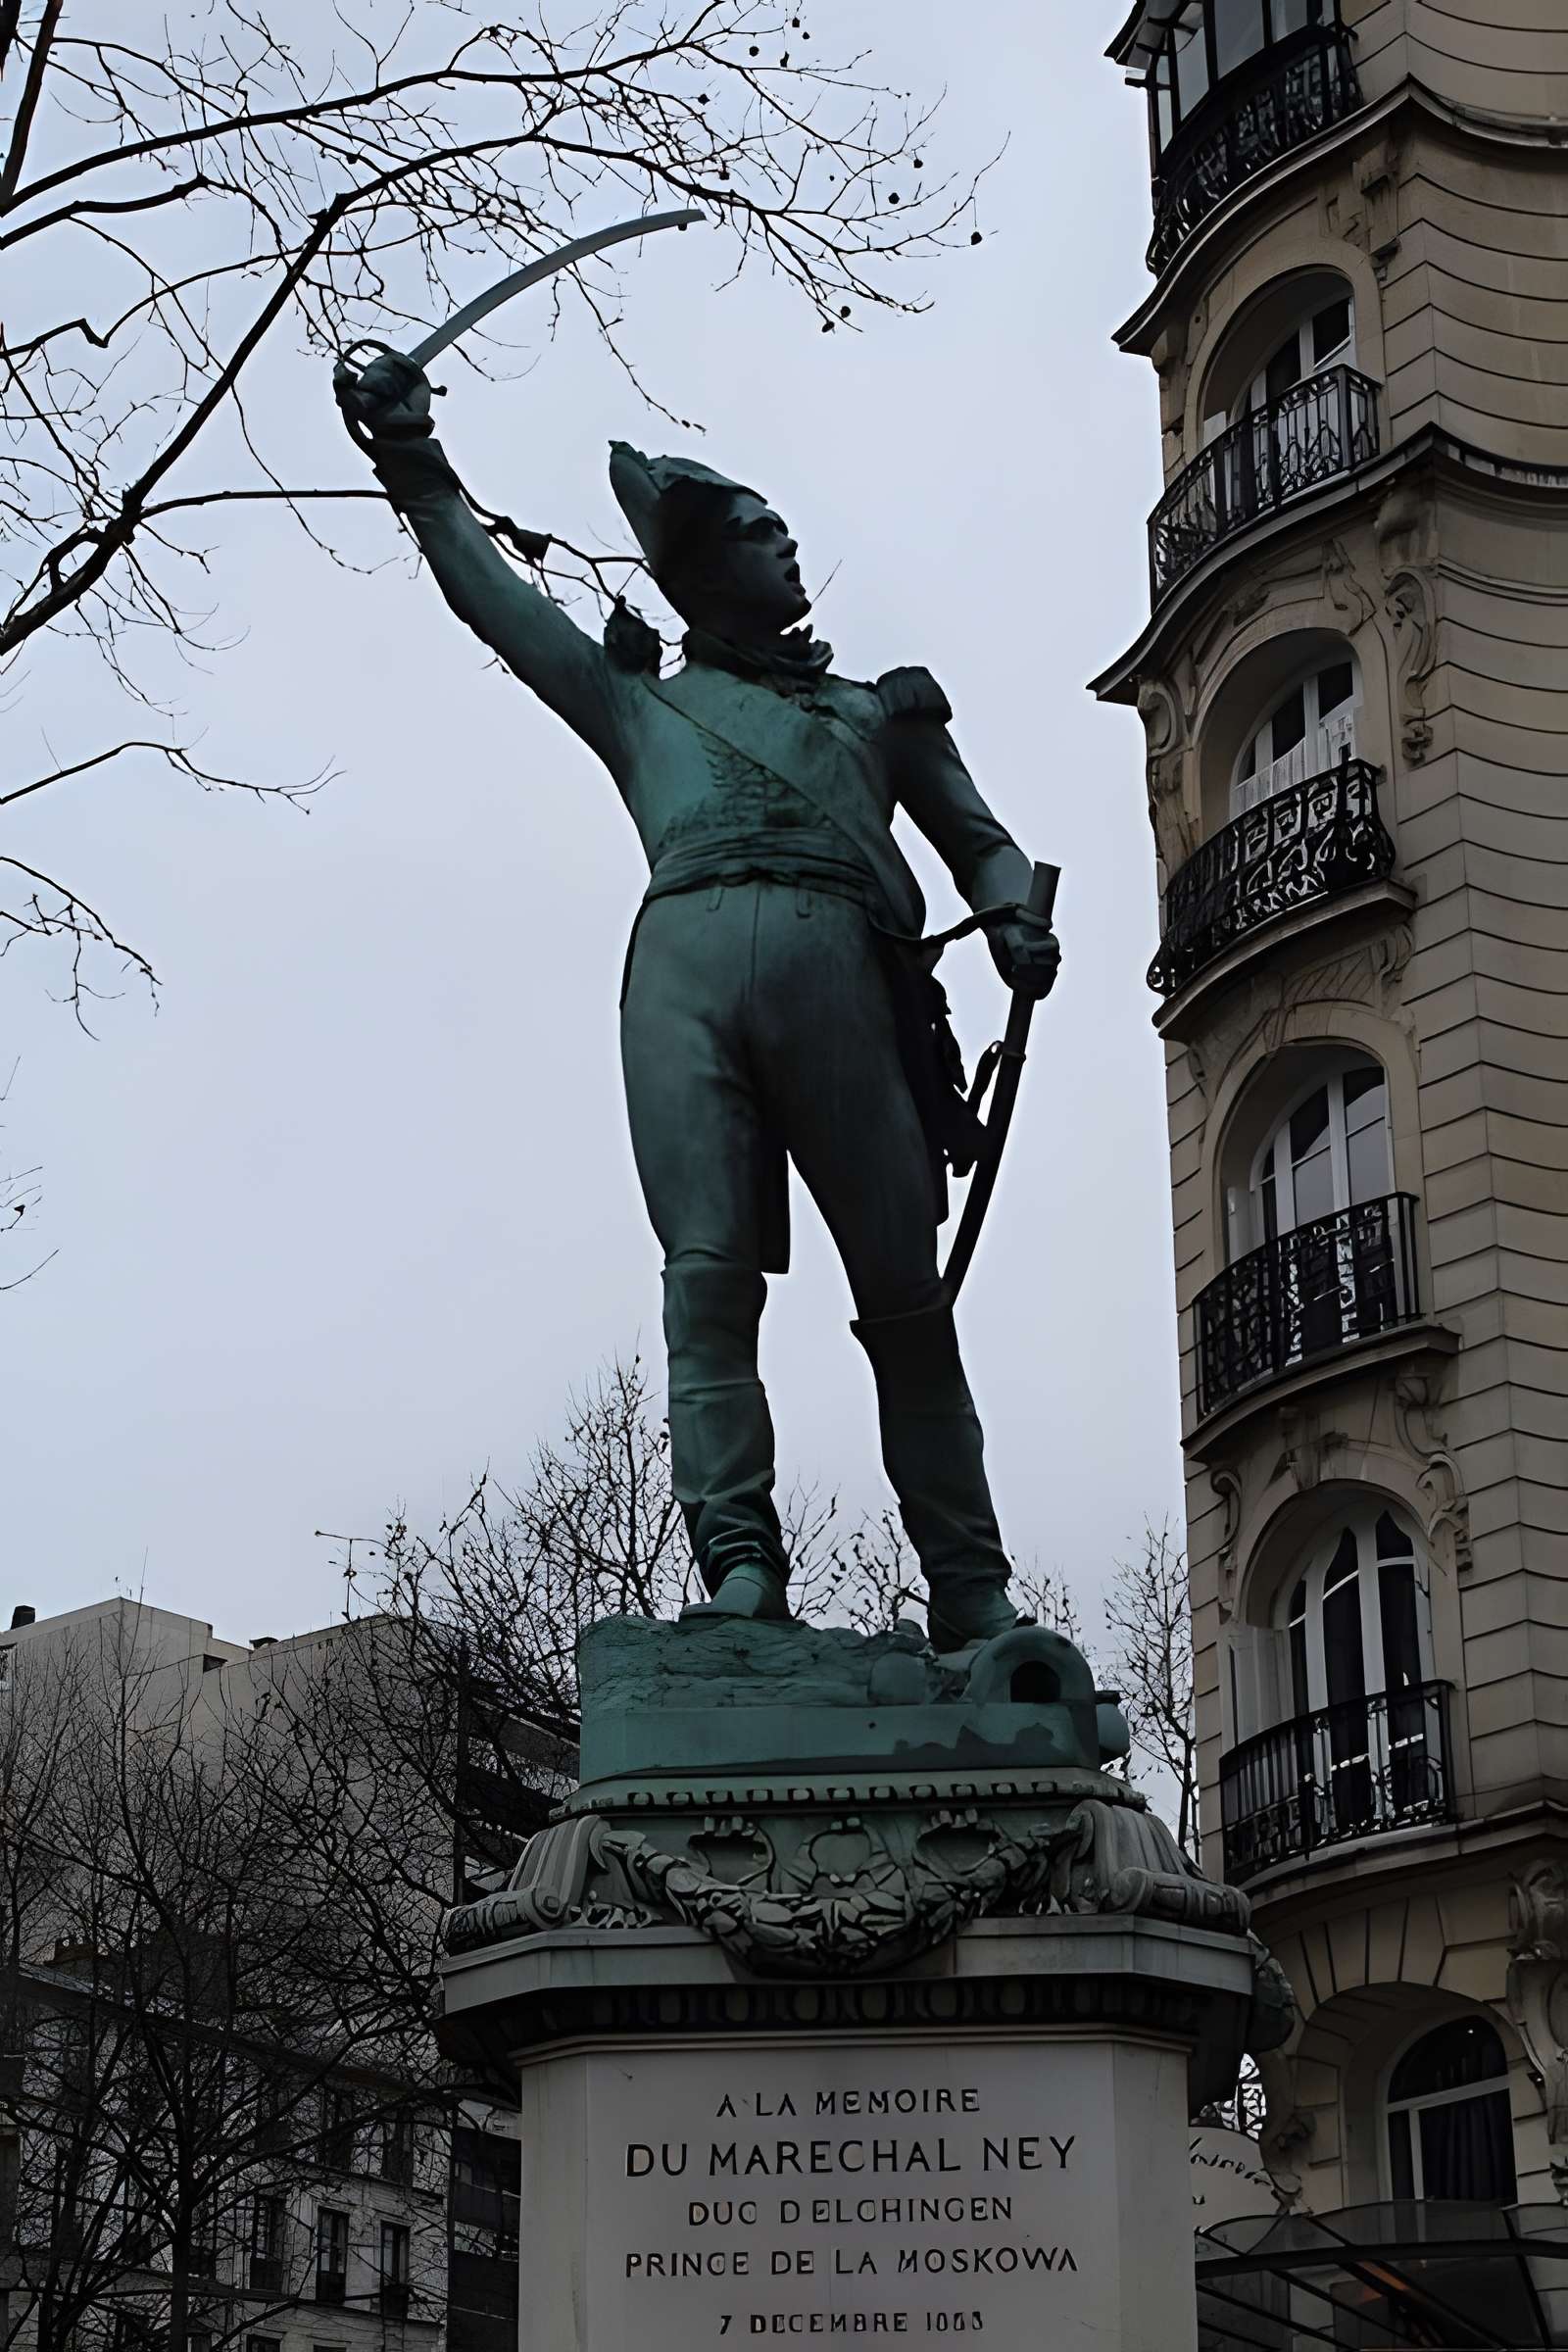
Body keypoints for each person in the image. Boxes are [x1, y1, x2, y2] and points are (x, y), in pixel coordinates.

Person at [335, 352, 1059, 1651]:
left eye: (782, 526)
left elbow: (982, 841)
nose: (788, 547)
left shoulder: (873, 712)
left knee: (905, 1293)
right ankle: (738, 1562)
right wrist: (413, 465)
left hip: (849, 974)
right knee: (706, 1281)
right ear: (703, 571)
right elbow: (499, 603)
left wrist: (1013, 914)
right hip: (680, 979)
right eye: (758, 532)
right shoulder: (639, 705)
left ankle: (971, 1586)